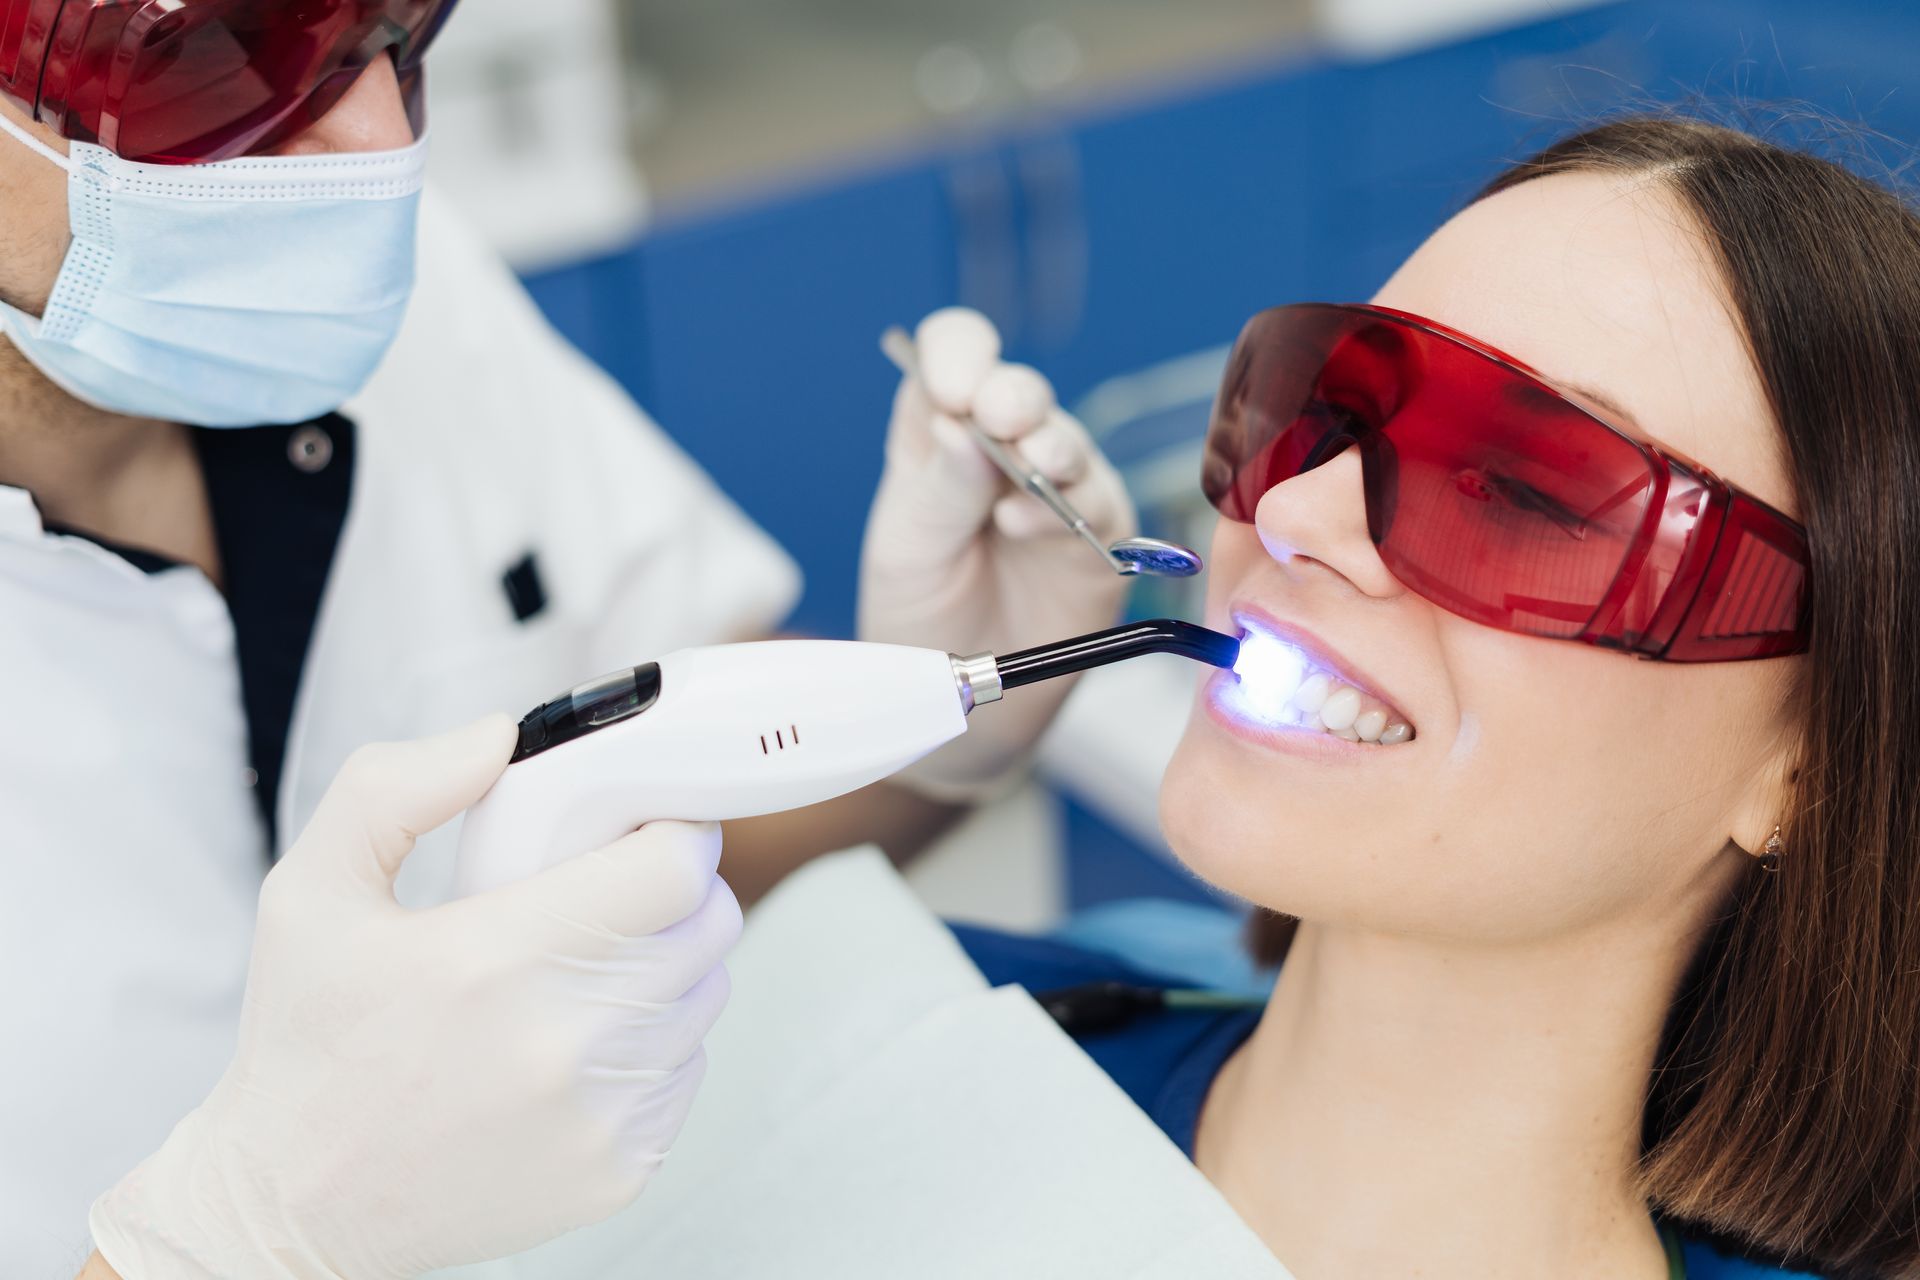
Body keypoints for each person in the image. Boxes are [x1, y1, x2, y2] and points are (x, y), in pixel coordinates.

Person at [0, 3, 1135, 1275]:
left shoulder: (357, 285)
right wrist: (235, 1239)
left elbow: (678, 824)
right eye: (227, 57)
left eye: (391, 31)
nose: (380, 142)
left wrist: (930, 738)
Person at [957, 115, 1920, 1280]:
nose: (1294, 514)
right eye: (1326, 410)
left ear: (1808, 765)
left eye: (1521, 492)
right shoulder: (942, 1014)